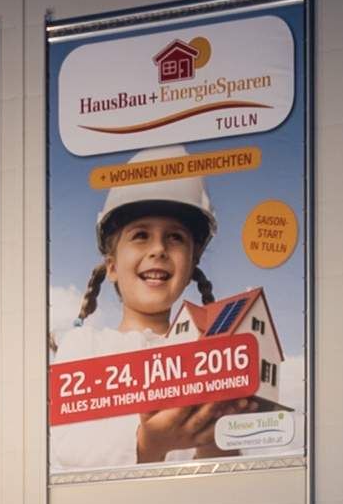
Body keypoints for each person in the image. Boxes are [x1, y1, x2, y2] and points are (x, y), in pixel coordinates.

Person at [50, 193, 274, 470]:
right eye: (141, 235)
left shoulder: (205, 350)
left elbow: (217, 480)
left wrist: (212, 438)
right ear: (112, 267)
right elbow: (69, 447)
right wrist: (148, 445)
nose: (158, 249)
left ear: (191, 266)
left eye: (175, 237)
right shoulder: (84, 344)